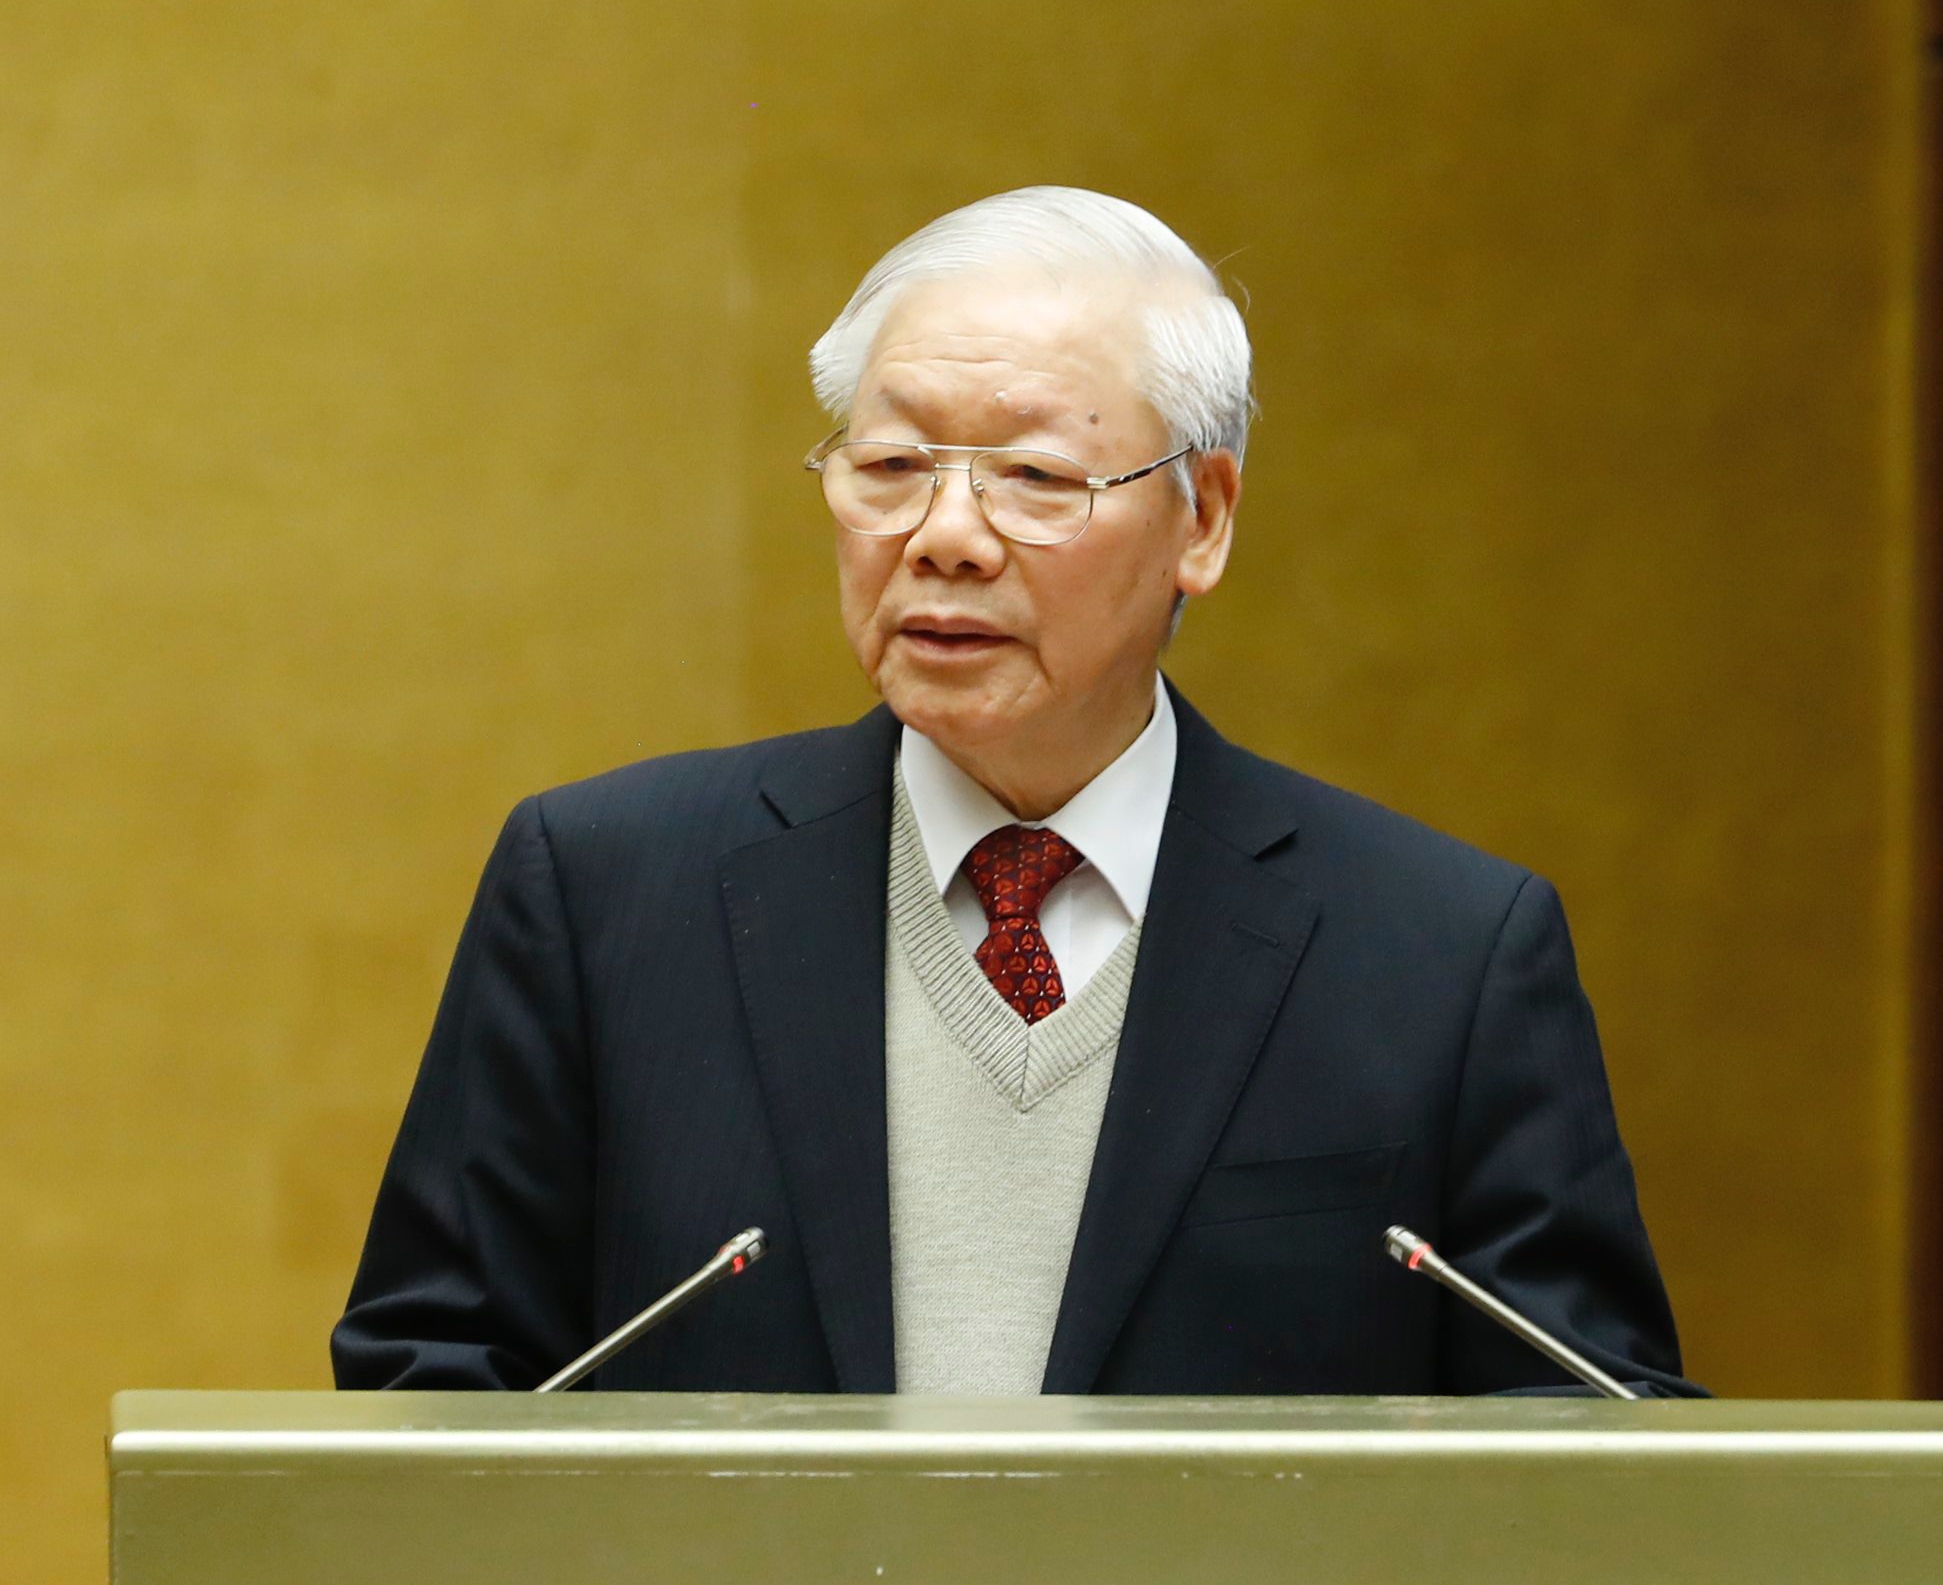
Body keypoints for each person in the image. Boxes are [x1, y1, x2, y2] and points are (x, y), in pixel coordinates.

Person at [333, 185, 1695, 1398]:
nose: (945, 537)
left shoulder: (1442, 953)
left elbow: (1594, 1455)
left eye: (1036, 478)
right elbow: (427, 1388)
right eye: (891, 468)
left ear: (1204, 518)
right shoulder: (605, 894)